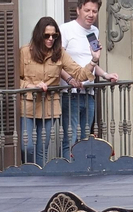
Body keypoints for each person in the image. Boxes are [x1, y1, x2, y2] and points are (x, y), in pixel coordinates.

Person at [18, 17, 95, 165]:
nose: (50, 39)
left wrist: (94, 60)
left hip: (49, 106)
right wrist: (30, 85)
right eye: (46, 35)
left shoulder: (59, 53)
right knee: (27, 147)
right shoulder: (25, 51)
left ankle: (40, 176)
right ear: (39, 35)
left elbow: (79, 73)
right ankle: (29, 172)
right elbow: (16, 79)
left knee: (42, 149)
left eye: (54, 36)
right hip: (28, 105)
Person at [57, 0, 117, 156]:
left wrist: (105, 75)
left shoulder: (94, 31)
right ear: (78, 10)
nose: (91, 14)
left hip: (89, 94)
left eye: (94, 11)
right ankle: (68, 169)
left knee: (85, 140)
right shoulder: (66, 29)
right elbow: (57, 62)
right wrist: (70, 80)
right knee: (70, 140)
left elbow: (91, 62)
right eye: (87, 10)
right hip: (70, 94)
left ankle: (82, 169)